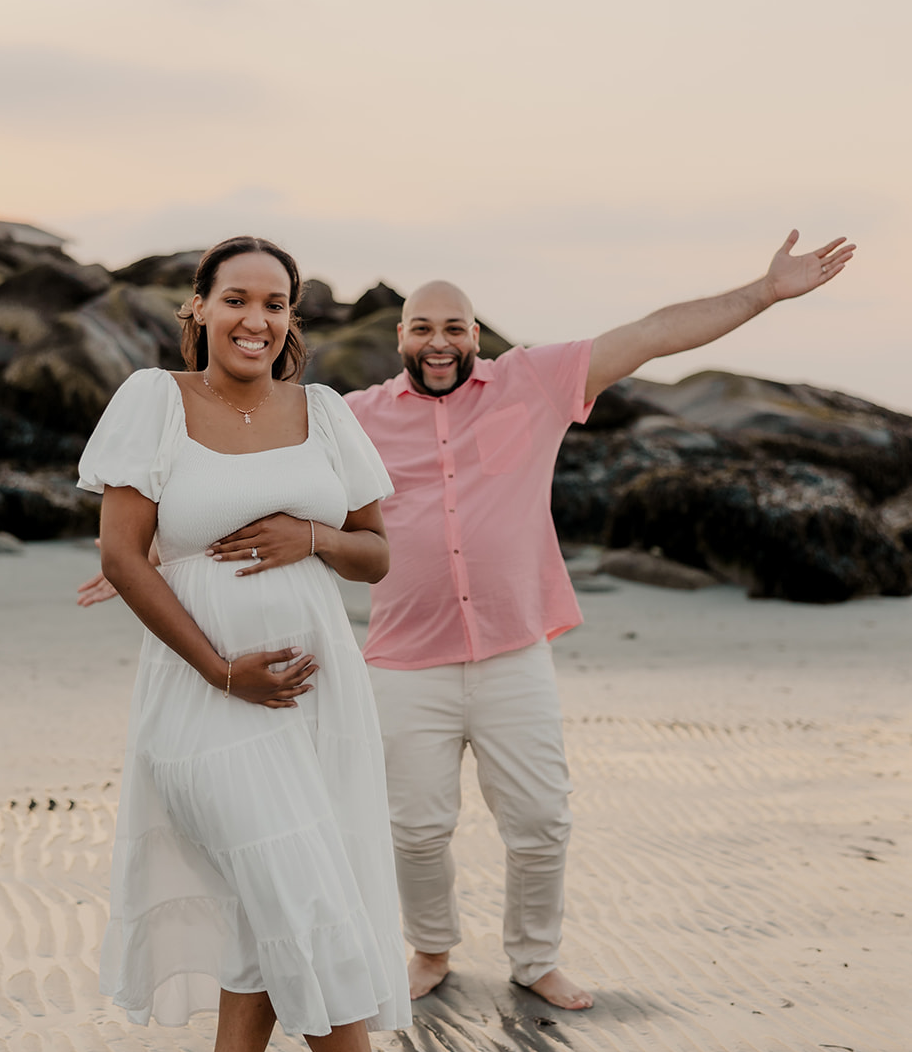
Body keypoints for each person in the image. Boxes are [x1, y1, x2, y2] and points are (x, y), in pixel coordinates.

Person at [342, 229, 855, 1010]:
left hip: (513, 651)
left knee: (541, 822)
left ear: (476, 336)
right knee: (413, 829)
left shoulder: (532, 382)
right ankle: (431, 948)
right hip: (404, 662)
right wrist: (146, 548)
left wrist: (762, 291)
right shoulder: (355, 417)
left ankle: (534, 959)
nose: (438, 341)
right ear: (400, 337)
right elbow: (263, 471)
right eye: (421, 327)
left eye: (453, 327)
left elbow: (649, 334)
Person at [77, 235, 471, 1052]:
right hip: (201, 698)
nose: (257, 319)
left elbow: (376, 553)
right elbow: (125, 557)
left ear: (292, 318)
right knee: (301, 898)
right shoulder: (151, 400)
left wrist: (312, 536)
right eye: (237, 299)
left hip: (315, 697)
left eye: (276, 303)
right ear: (198, 309)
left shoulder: (325, 413)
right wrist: (220, 668)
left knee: (270, 908)